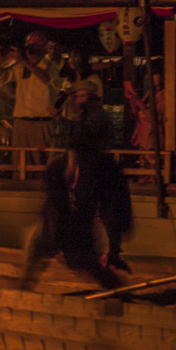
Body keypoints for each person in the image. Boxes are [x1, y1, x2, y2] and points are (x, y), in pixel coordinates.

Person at [24, 79, 132, 290]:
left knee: (76, 248)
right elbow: (72, 139)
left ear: (92, 97)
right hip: (79, 186)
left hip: (90, 172)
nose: (77, 100)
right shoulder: (68, 160)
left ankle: (111, 279)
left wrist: (61, 120)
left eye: (81, 96)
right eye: (76, 96)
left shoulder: (97, 117)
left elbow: (83, 137)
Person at [0, 31, 61, 167]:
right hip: (21, 123)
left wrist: (23, 61)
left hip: (42, 123)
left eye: (36, 43)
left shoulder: (51, 65)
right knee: (19, 164)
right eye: (29, 43)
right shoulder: (19, 66)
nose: (32, 46)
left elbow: (46, 77)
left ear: (44, 47)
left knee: (42, 164)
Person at [124, 59, 166, 179]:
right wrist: (132, 100)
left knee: (153, 171)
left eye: (154, 73)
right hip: (144, 137)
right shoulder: (150, 93)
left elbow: (154, 116)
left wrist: (137, 101)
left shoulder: (165, 94)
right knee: (144, 169)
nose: (151, 77)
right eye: (150, 73)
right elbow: (138, 113)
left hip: (154, 137)